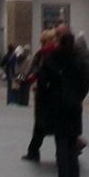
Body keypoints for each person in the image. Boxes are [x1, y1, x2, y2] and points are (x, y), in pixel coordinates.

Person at [35, 28, 89, 177]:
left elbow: (42, 81)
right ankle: (74, 176)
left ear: (59, 42)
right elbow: (86, 82)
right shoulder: (79, 60)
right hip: (73, 105)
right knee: (72, 141)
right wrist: (79, 96)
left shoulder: (51, 59)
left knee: (61, 142)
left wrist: (47, 97)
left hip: (57, 104)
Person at [22, 30, 58, 161]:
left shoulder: (42, 55)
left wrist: (31, 80)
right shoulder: (60, 53)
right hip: (56, 94)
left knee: (40, 124)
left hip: (43, 94)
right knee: (58, 125)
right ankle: (62, 152)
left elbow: (33, 72)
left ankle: (33, 152)